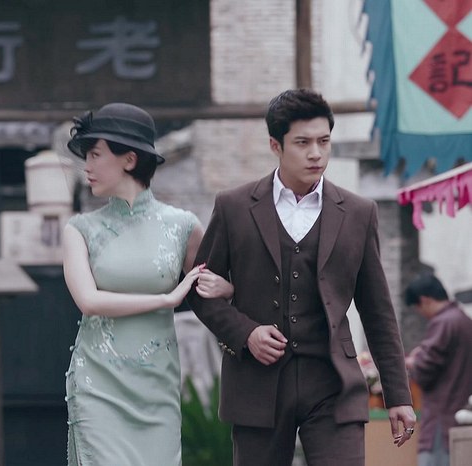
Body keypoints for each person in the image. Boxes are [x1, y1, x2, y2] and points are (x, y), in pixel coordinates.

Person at [186, 88, 417, 465]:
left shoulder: (359, 213)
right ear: (275, 145)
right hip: (257, 385)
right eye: (303, 143)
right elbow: (199, 290)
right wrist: (246, 333)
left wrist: (398, 395)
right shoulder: (234, 207)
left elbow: (377, 311)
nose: (316, 153)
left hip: (332, 382)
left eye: (324, 141)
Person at [62, 102, 234, 465]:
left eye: (95, 155)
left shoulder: (183, 226)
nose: (86, 166)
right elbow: (89, 301)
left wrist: (230, 289)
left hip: (157, 386)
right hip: (98, 385)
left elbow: (213, 287)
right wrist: (166, 299)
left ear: (129, 160)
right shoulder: (80, 229)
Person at [404, 273, 472, 466]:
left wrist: (411, 362)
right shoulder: (463, 319)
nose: (421, 313)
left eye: (418, 308)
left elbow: (425, 368)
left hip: (440, 422)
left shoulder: (443, 323)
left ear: (425, 300)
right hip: (459, 418)